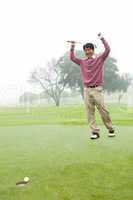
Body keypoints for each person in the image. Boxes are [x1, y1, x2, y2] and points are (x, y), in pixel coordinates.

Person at [69, 33, 115, 139]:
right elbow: (72, 58)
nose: (87, 51)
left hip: (97, 89)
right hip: (86, 90)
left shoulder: (100, 59)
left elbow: (108, 50)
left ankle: (110, 128)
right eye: (86, 50)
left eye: (89, 49)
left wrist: (102, 38)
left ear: (93, 50)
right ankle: (95, 132)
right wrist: (72, 46)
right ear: (84, 51)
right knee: (89, 112)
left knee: (103, 110)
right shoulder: (82, 62)